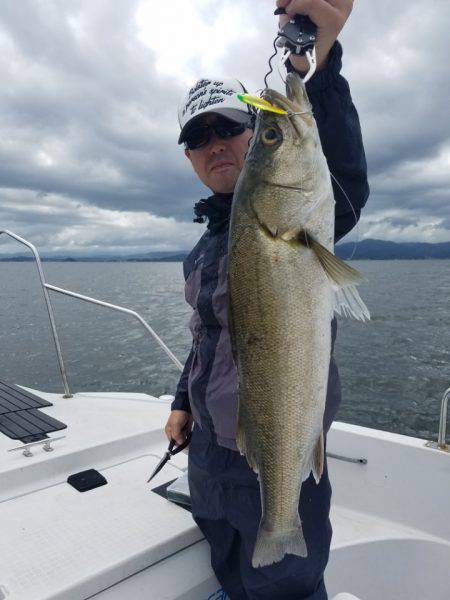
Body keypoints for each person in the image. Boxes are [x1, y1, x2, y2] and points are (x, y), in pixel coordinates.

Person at [165, 1, 369, 598]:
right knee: (229, 571)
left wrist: (320, 63)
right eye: (198, 137)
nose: (215, 144)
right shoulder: (203, 249)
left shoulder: (307, 211)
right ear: (190, 157)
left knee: (288, 588)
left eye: (229, 126)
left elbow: (344, 176)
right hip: (209, 456)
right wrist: (183, 403)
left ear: (252, 132)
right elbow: (207, 339)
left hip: (281, 443)